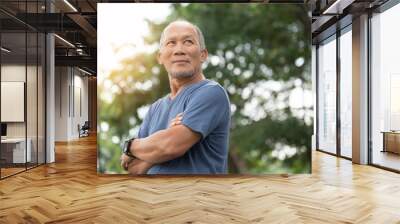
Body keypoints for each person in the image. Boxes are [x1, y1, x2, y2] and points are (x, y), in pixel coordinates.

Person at [120, 20, 231, 174]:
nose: (179, 50)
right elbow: (133, 167)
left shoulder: (211, 93)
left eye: (188, 42)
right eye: (171, 43)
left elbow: (170, 146)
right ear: (160, 57)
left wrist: (130, 146)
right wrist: (164, 143)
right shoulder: (155, 109)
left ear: (203, 55)